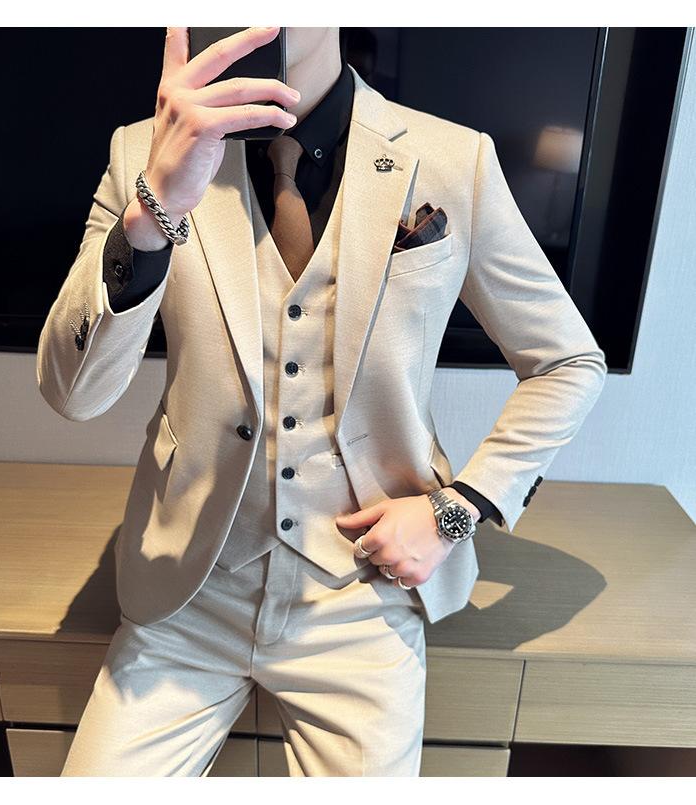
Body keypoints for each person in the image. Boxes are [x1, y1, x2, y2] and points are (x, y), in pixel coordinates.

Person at [37, 27, 607, 776]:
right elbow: (73, 393)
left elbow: (568, 360)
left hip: (362, 599)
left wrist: (457, 509)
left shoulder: (450, 158)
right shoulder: (141, 153)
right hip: (188, 591)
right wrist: (153, 212)